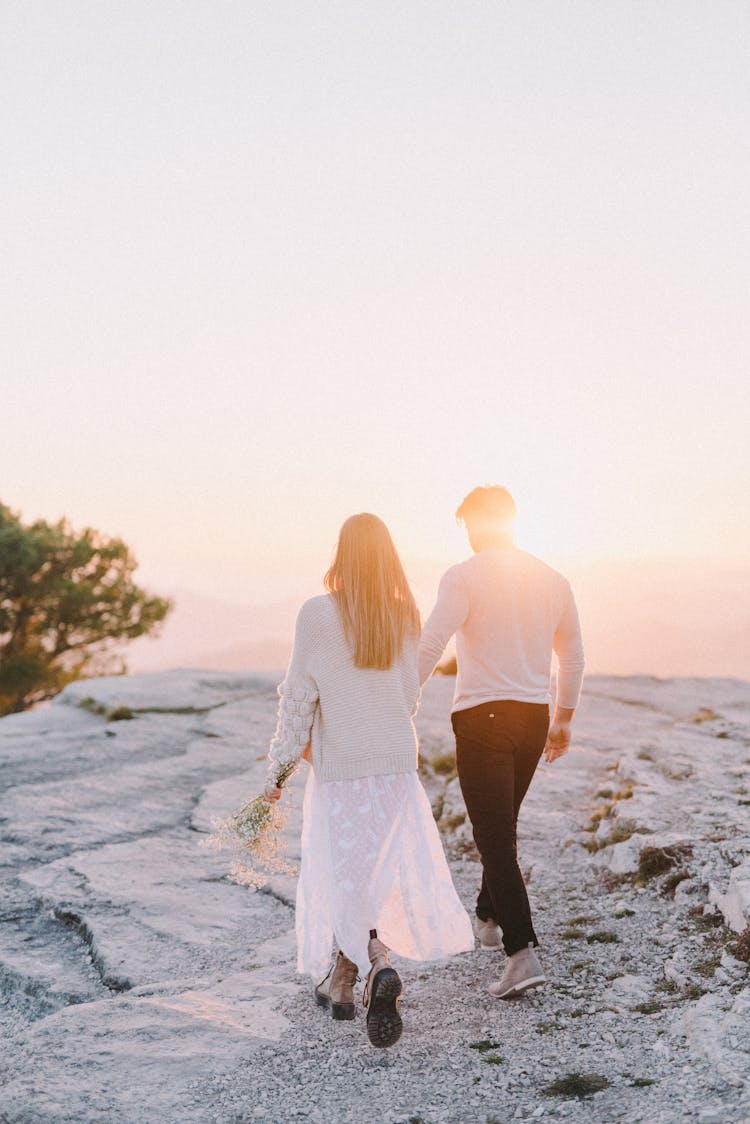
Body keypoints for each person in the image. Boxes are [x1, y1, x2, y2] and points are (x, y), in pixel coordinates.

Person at [264, 513, 473, 1047]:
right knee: (367, 876)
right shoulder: (403, 614)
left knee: (345, 876)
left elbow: (298, 699)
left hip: (345, 770)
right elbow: (407, 696)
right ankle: (341, 983)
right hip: (395, 767)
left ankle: (375, 963)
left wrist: (278, 772)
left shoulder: (317, 614)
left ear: (342, 554)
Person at [418, 486, 585, 999]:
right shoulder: (552, 579)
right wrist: (562, 720)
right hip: (532, 718)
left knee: (492, 837)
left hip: (482, 719)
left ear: (472, 523)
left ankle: (521, 952)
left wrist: (400, 702)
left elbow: (431, 642)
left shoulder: (463, 575)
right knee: (501, 826)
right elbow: (573, 656)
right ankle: (488, 919)